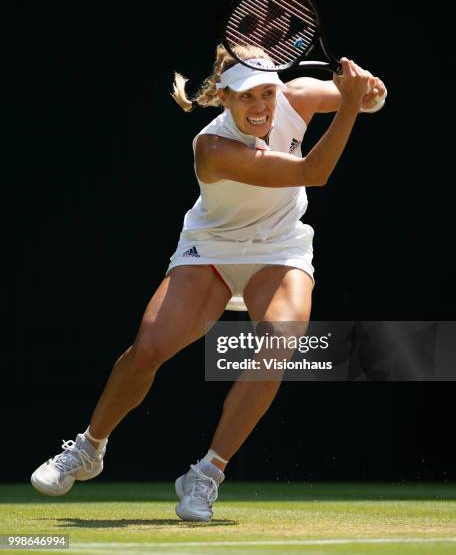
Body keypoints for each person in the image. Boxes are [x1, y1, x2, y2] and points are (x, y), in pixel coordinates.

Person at [31, 43, 387, 521]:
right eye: (246, 97)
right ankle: (89, 448)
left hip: (279, 248)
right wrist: (349, 105)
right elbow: (312, 173)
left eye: (267, 92)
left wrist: (369, 92)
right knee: (149, 347)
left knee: (279, 342)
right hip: (212, 249)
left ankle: (206, 474)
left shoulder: (297, 96)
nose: (261, 106)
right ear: (223, 96)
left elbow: (366, 100)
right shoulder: (211, 147)